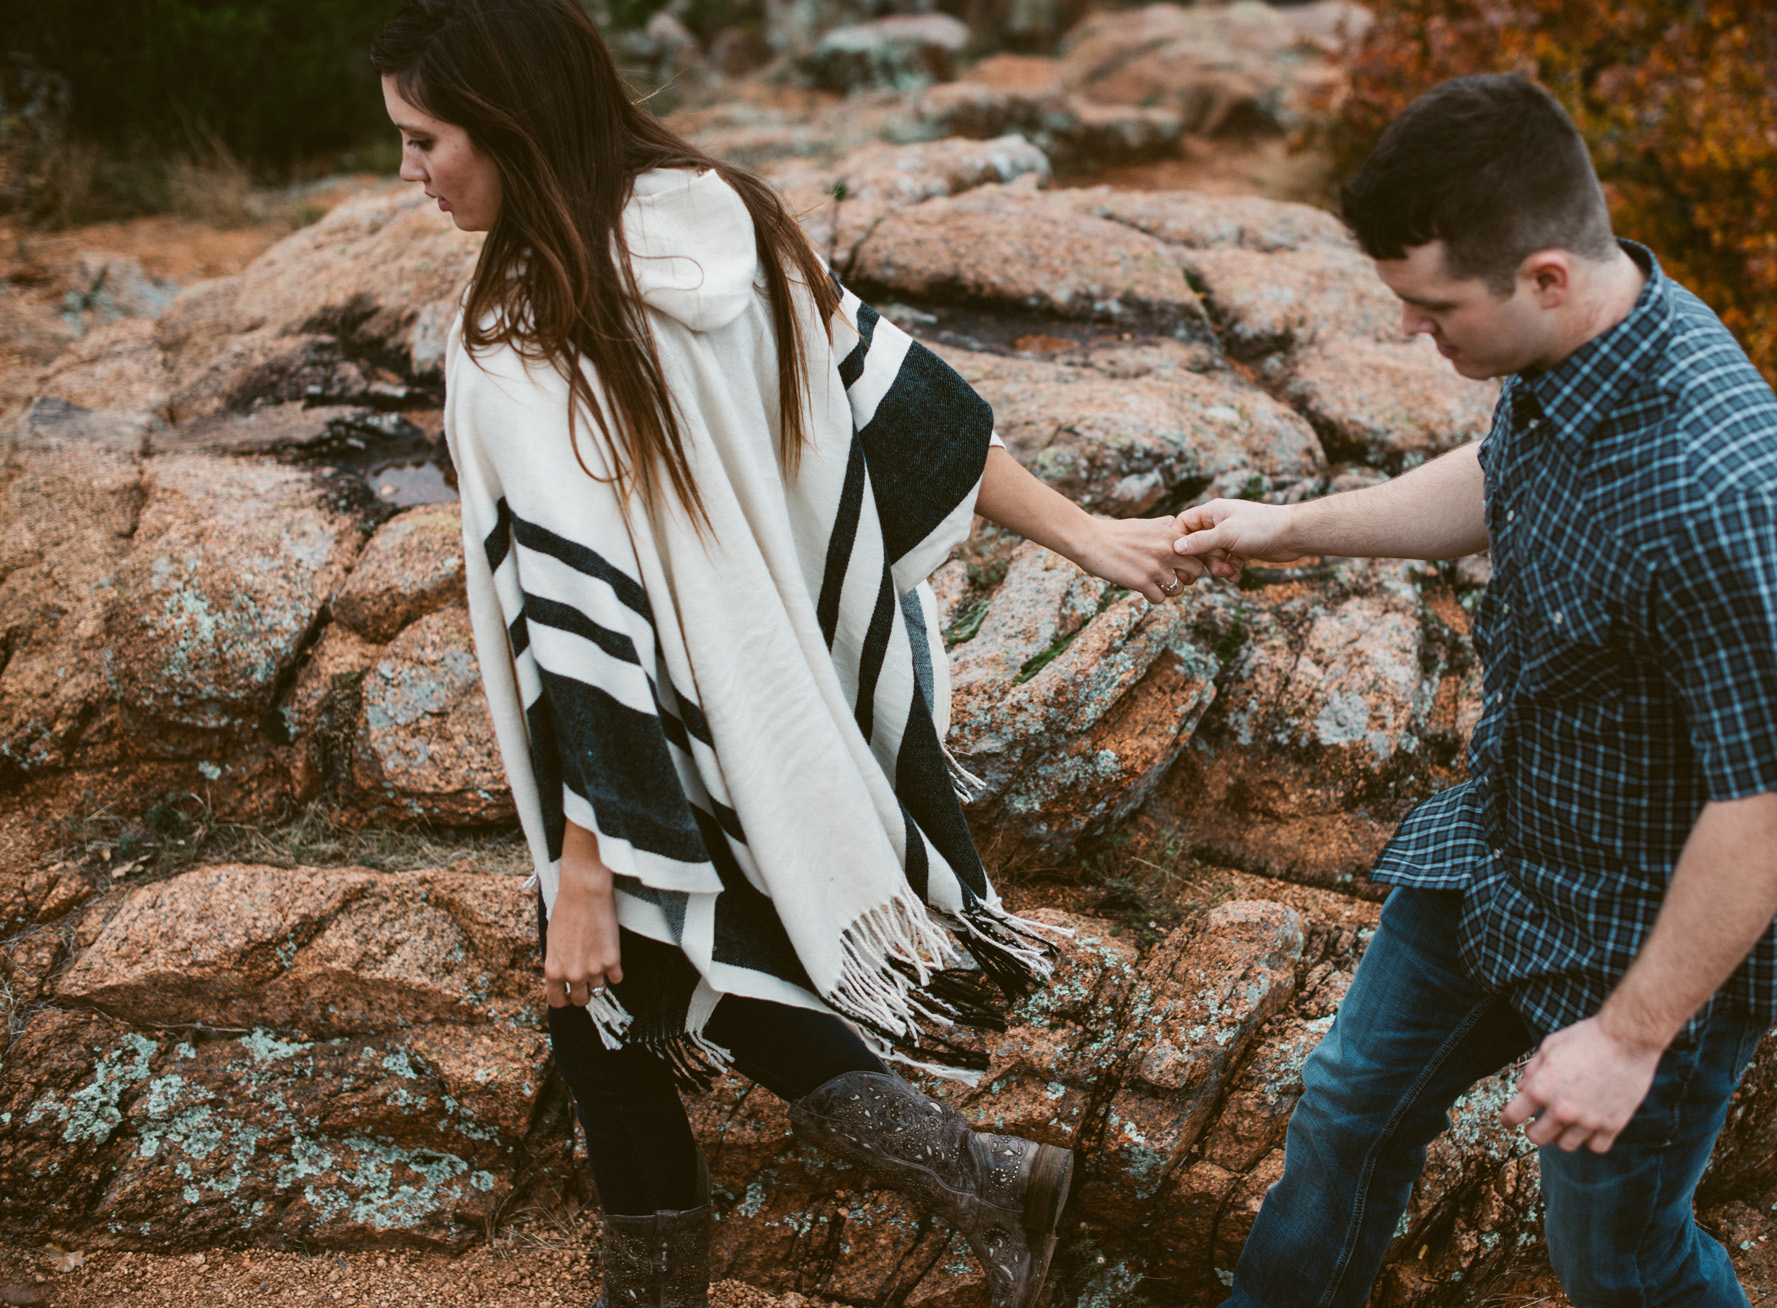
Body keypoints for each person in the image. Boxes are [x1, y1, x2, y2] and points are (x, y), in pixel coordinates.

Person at [370, 3, 1201, 1305]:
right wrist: (1083, 534)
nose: (410, 173)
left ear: (512, 130)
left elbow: (584, 621)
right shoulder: (720, 219)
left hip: (638, 736)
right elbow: (900, 409)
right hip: (767, 692)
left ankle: (966, 1187)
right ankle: (984, 1183)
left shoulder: (524, 324)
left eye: (425, 141)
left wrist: (586, 863)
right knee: (637, 988)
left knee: (607, 984)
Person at [1173, 73, 1777, 1308]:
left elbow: (1775, 797)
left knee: (1616, 1260)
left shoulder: (1730, 490)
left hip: (1652, 929)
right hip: (1500, 854)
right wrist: (1288, 528)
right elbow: (1497, 475)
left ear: (1545, 275)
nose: (1407, 333)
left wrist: (1628, 1037)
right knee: (1343, 1113)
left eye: (1430, 307)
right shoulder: (1577, 347)